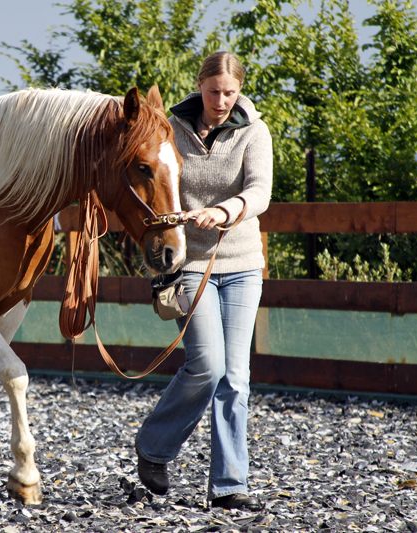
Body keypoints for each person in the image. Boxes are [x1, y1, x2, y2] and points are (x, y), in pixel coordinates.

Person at [135, 51, 272, 511]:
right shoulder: (170, 129)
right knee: (208, 365)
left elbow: (259, 191)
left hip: (242, 264)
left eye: (230, 93)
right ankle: (154, 448)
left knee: (236, 376)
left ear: (239, 91)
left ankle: (230, 486)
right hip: (190, 262)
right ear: (200, 86)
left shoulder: (254, 130)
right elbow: (153, 180)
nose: (221, 101)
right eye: (214, 92)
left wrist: (225, 210)